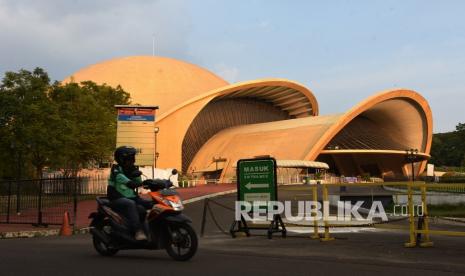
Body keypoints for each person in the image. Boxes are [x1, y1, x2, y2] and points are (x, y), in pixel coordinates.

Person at [107, 146, 153, 241]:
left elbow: (139, 182)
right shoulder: (116, 169)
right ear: (122, 159)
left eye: (133, 158)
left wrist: (146, 181)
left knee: (149, 204)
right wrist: (131, 183)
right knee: (130, 204)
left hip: (131, 197)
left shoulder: (132, 168)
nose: (132, 160)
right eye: (130, 158)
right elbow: (121, 178)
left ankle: (150, 230)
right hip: (116, 198)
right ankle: (137, 231)